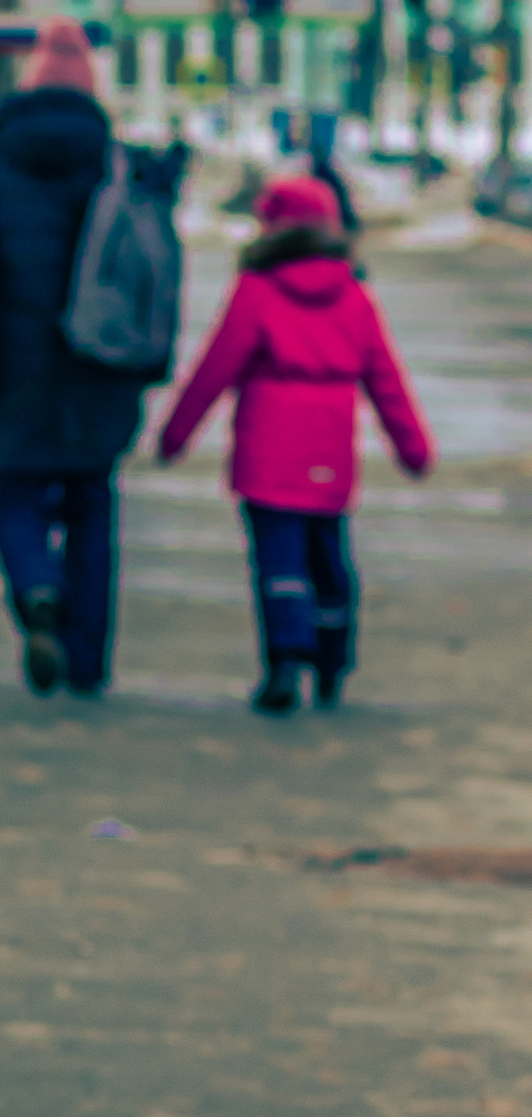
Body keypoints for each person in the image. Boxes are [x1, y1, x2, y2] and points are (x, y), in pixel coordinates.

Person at [154, 169, 434, 712]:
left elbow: (216, 368)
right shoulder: (354, 295)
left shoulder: (256, 290)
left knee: (278, 561)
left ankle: (284, 659)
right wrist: (412, 446)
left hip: (267, 456)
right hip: (330, 454)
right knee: (330, 558)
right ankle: (332, 663)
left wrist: (176, 434)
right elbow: (386, 378)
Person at [0, 16, 144, 697]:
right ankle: (87, 660)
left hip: (11, 370)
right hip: (98, 371)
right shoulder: (115, 163)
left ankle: (36, 593)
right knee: (90, 507)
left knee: (17, 496)